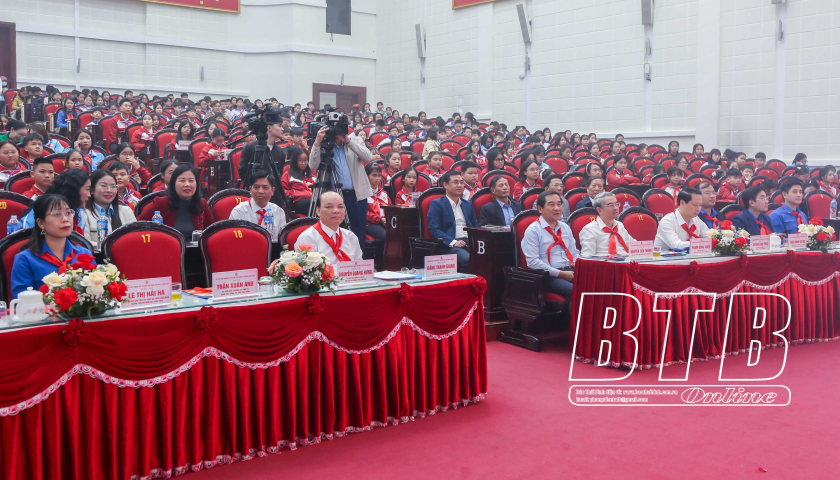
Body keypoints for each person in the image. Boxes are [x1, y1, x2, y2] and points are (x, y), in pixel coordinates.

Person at [10, 194, 96, 299]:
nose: (65, 219)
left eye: (68, 213)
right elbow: (22, 302)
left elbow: (95, 295)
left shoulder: (84, 255)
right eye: (56, 214)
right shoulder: (25, 259)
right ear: (41, 223)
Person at [309, 122, 373, 243]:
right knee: (333, 232)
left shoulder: (356, 140)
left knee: (358, 233)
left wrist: (348, 141)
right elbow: (313, 165)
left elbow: (368, 157)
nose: (337, 129)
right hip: (334, 197)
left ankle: (358, 255)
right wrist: (317, 142)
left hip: (356, 196)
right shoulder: (324, 144)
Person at [521, 190, 579, 301]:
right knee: (574, 290)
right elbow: (532, 262)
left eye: (559, 204)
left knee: (597, 284)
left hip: (571, 270)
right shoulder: (533, 230)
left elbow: (574, 253)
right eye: (551, 205)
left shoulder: (565, 227)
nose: (557, 208)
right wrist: (560, 274)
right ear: (540, 209)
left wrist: (579, 270)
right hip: (547, 276)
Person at [137, 164, 215, 238]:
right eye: (182, 180)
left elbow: (212, 232)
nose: (187, 184)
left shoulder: (201, 203)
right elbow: (137, 226)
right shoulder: (160, 203)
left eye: (191, 181)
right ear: (173, 184)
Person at [427, 170, 478, 272]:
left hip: (469, 242)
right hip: (449, 245)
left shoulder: (468, 204)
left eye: (461, 182)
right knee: (468, 260)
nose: (459, 185)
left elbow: (475, 226)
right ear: (445, 185)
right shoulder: (437, 204)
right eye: (455, 182)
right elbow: (434, 229)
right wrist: (453, 242)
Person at [294, 191, 363, 263]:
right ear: (318, 211)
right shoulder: (307, 238)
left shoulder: (351, 237)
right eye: (329, 207)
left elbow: (359, 266)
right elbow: (306, 268)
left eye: (340, 207)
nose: (336, 211)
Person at [21, 169, 90, 236]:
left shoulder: (80, 215)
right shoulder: (42, 209)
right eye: (87, 189)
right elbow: (24, 237)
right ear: (75, 189)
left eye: (68, 213)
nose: (89, 195)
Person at [228, 169, 286, 243]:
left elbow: (282, 241)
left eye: (265, 187)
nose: (260, 191)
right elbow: (233, 240)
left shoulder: (278, 211)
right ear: (250, 190)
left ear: (272, 191)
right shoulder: (239, 211)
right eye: (256, 187)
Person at [83, 169, 137, 244]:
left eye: (113, 186)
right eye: (103, 185)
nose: (109, 190)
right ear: (91, 190)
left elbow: (135, 239)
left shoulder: (126, 211)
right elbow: (84, 243)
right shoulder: (84, 213)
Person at [578, 192, 636, 256]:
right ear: (599, 210)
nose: (615, 208)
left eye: (616, 204)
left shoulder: (619, 225)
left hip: (625, 260)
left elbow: (633, 246)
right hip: (604, 261)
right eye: (610, 205)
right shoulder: (589, 230)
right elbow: (587, 257)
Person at [282, 146, 316, 216]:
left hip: (312, 200)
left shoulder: (311, 174)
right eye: (300, 160)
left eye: (305, 160)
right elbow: (282, 191)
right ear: (295, 161)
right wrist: (296, 193)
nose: (303, 163)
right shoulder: (288, 174)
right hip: (296, 202)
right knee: (317, 202)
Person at [365, 163, 389, 242]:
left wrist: (388, 219)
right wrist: (380, 219)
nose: (377, 178)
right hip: (370, 223)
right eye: (374, 175)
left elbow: (390, 208)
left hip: (385, 221)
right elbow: (365, 213)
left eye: (379, 175)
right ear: (366, 176)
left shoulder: (384, 193)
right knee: (387, 235)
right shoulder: (363, 194)